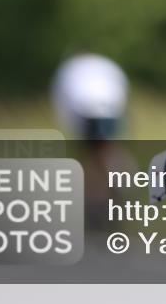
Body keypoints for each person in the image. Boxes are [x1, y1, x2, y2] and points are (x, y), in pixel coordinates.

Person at [51, 52, 130, 229]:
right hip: (111, 110)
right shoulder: (104, 64)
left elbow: (62, 101)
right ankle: (113, 194)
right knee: (107, 152)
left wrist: (72, 130)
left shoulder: (70, 69)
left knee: (94, 157)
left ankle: (101, 202)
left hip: (86, 112)